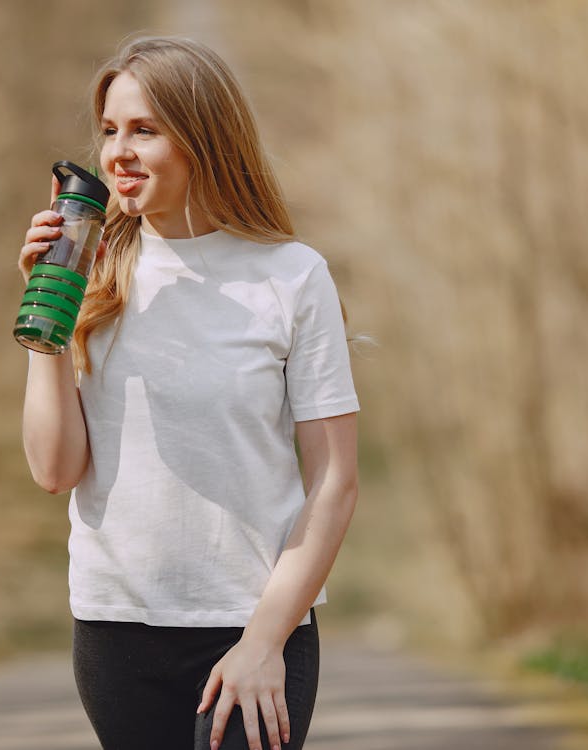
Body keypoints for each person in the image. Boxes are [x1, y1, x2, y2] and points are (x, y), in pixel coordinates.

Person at [18, 36, 360, 750]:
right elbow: (54, 472)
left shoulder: (292, 277)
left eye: (144, 130)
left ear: (204, 137)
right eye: (109, 130)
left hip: (255, 625)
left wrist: (263, 642)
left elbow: (332, 482)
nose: (118, 152)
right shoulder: (94, 269)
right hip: (116, 629)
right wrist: (47, 307)